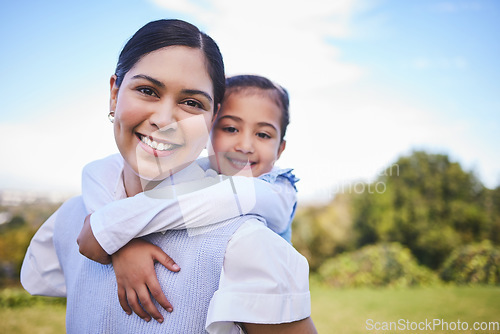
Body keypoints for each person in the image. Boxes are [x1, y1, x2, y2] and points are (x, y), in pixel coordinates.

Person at [20, 19, 317, 333]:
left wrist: (110, 231)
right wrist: (116, 237)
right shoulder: (70, 217)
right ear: (114, 93)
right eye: (147, 90)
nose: (163, 120)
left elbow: (226, 198)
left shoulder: (244, 242)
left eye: (191, 102)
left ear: (212, 117)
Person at [76, 74, 299, 322]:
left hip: (262, 315)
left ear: (280, 149)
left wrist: (109, 228)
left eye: (264, 135)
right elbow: (99, 169)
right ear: (207, 132)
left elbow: (219, 198)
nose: (245, 145)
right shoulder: (203, 170)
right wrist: (123, 244)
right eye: (231, 129)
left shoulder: (278, 190)